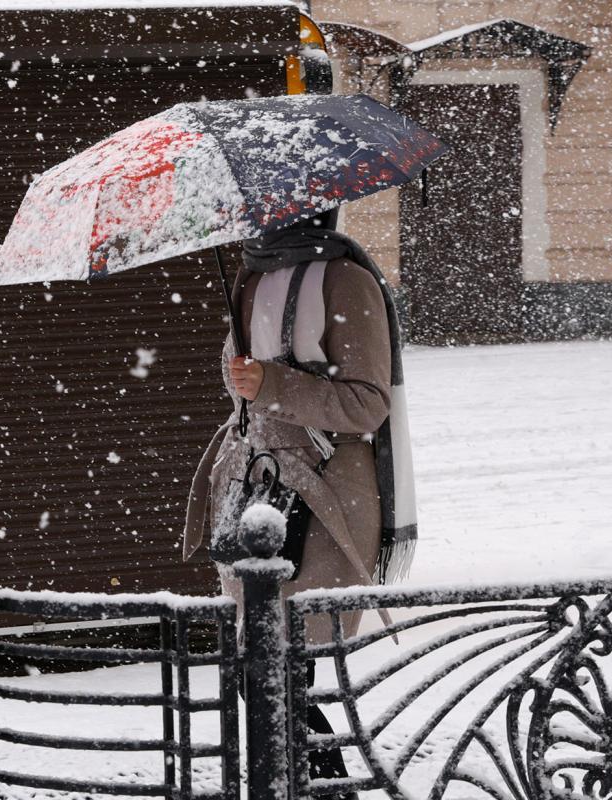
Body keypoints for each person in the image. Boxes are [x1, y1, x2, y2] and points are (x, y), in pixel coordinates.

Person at [184, 210, 416, 794]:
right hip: (257, 488)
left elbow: (366, 402)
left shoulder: (344, 279)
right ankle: (306, 786)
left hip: (326, 500)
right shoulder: (250, 275)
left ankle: (320, 788)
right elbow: (244, 383)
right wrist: (248, 380)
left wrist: (275, 385)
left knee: (281, 669)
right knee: (259, 666)